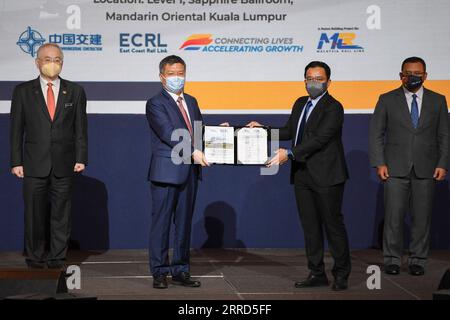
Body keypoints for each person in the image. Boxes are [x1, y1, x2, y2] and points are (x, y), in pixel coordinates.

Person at [247, 61, 351, 291]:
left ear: (328, 82)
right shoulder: (300, 103)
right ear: (304, 80)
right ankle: (317, 273)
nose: (313, 83)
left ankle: (341, 274)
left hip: (327, 176)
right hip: (303, 175)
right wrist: (262, 131)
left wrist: (290, 154)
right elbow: (289, 131)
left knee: (333, 226)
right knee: (310, 227)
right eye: (309, 78)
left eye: (319, 79)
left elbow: (320, 139)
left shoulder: (334, 107)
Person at [146, 55, 225, 289]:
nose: (177, 78)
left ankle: (180, 270)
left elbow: (197, 131)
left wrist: (216, 134)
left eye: (180, 73)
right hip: (166, 172)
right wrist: (192, 152)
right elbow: (169, 133)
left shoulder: (191, 100)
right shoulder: (155, 103)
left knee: (183, 223)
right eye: (171, 74)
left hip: (189, 172)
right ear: (162, 77)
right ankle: (159, 271)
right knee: (161, 224)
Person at [10, 43, 88, 269]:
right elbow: (16, 130)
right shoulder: (23, 91)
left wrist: (81, 157)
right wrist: (16, 161)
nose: (52, 64)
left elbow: (81, 129)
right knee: (34, 214)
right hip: (34, 163)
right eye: (47, 59)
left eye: (57, 60)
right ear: (37, 62)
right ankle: (34, 256)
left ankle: (57, 257)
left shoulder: (75, 91)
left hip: (65, 163)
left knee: (61, 215)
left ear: (62, 63)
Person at [369, 57, 449, 276]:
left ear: (425, 75)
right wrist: (379, 162)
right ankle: (392, 259)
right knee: (393, 217)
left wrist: (443, 163)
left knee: (422, 218)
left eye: (417, 73)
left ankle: (418, 260)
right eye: (408, 73)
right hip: (394, 168)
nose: (412, 76)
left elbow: (444, 135)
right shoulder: (386, 99)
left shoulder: (438, 100)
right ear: (401, 75)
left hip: (427, 167)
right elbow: (376, 133)